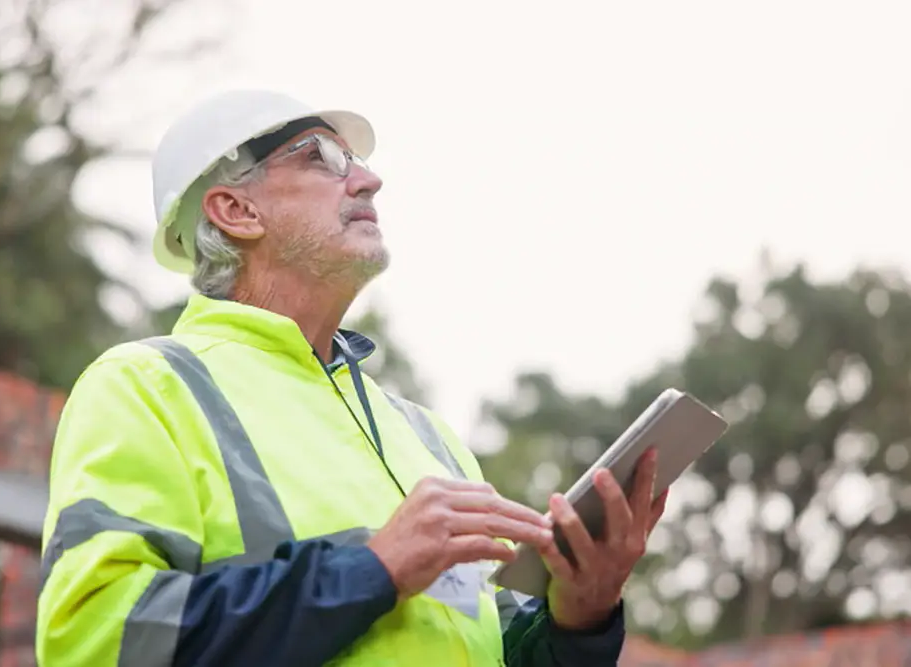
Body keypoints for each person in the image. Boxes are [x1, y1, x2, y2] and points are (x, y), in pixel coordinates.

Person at [35, 89, 668, 667]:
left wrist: (581, 618)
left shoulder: (431, 440)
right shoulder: (146, 388)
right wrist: (370, 569)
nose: (368, 179)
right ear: (234, 209)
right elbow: (98, 640)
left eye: (355, 161)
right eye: (323, 159)